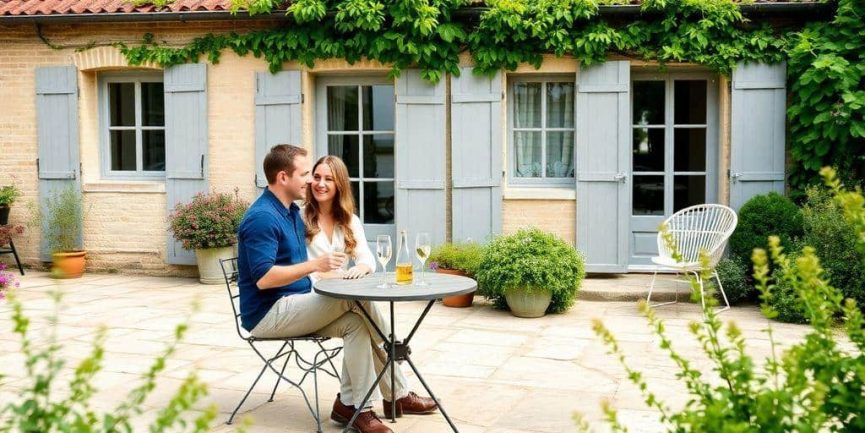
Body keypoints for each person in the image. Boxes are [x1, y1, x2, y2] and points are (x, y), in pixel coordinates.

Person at [236, 145, 436, 433]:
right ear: (283, 177)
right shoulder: (263, 217)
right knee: (356, 300)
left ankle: (351, 406)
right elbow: (264, 279)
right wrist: (317, 266)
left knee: (356, 324)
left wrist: (334, 272)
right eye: (306, 174)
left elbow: (359, 258)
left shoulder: (289, 211)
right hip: (270, 313)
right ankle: (392, 355)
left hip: (297, 300)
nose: (311, 182)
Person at [303, 155, 375, 281]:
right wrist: (324, 275)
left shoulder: (351, 220)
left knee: (367, 299)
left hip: (341, 288)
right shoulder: (299, 218)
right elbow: (293, 267)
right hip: (311, 291)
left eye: (328, 179)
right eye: (317, 177)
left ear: (339, 185)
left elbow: (366, 257)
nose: (320, 184)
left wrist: (361, 268)